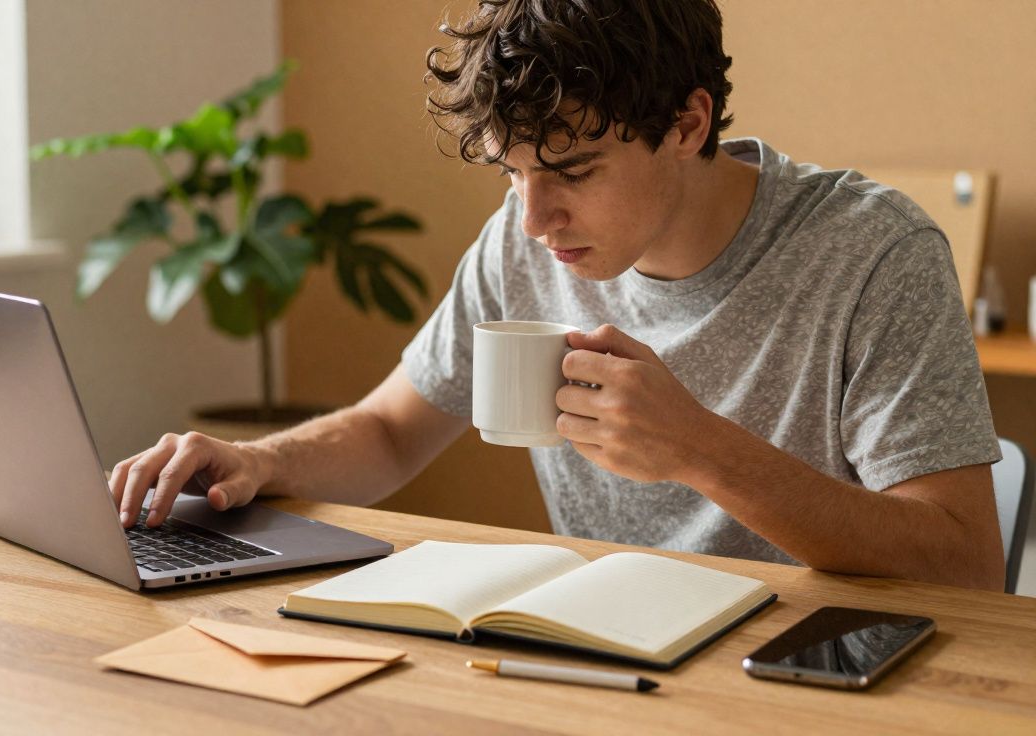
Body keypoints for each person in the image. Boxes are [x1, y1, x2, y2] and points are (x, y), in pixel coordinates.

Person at [110, 0, 1006, 591]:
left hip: (813, 674)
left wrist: (700, 450)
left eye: (573, 169)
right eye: (513, 174)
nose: (536, 218)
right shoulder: (525, 232)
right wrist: (260, 463)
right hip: (608, 663)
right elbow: (389, 432)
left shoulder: (874, 252)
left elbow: (964, 561)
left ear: (688, 125)